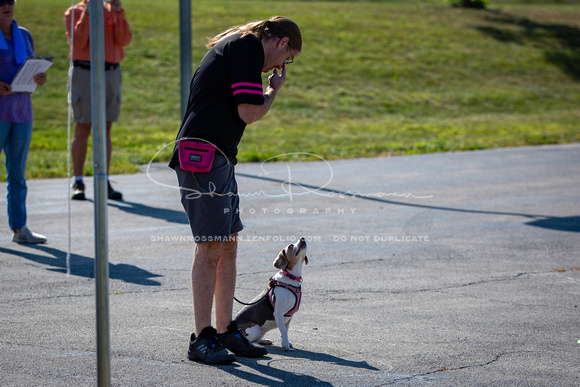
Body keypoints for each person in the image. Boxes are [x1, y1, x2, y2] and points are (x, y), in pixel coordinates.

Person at [168, 16, 302, 364]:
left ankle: (225, 330)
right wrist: (273, 90)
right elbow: (249, 113)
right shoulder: (246, 48)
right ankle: (202, 338)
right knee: (210, 247)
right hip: (203, 157)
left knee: (227, 245)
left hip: (218, 156)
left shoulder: (239, 46)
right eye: (286, 59)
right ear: (282, 42)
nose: (280, 66)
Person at [64, 0, 132, 201]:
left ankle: (103, 179)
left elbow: (124, 40)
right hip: (85, 72)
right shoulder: (74, 12)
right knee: (83, 127)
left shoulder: (112, 10)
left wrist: (119, 12)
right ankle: (78, 181)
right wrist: (88, 13)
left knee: (105, 128)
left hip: (110, 72)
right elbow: (79, 41)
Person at [1, 0, 47, 244]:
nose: (6, 6)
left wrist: (39, 77)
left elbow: (30, 67)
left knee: (17, 174)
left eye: (10, 1)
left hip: (21, 113)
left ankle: (20, 229)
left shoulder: (24, 34)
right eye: (1, 2)